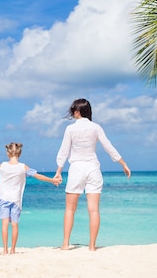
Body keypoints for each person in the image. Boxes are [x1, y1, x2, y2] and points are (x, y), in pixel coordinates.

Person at [54, 98, 131, 251]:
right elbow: (108, 147)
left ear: (77, 111)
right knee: (94, 209)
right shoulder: (96, 127)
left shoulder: (70, 129)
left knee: (70, 209)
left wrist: (58, 171)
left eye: (74, 110)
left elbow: (64, 151)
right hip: (93, 169)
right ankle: (92, 246)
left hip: (77, 168)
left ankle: (65, 244)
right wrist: (123, 163)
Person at [0, 142, 60, 254]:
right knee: (14, 225)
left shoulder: (2, 166)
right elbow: (38, 176)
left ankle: (5, 250)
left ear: (7, 153)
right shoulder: (23, 167)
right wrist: (53, 180)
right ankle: (13, 250)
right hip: (16, 200)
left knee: (4, 224)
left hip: (4, 198)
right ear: (20, 153)